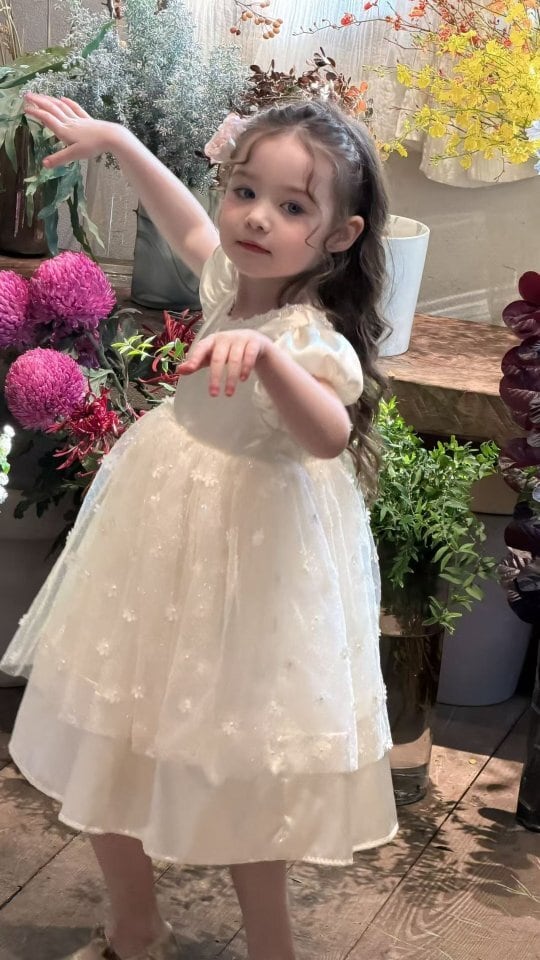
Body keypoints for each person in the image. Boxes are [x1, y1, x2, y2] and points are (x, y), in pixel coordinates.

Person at [1, 92, 398, 960]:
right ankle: (134, 927)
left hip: (252, 570)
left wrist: (268, 360)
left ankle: (271, 949)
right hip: (159, 535)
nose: (257, 218)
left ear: (339, 234)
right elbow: (185, 223)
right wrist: (119, 142)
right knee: (111, 733)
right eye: (245, 191)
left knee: (243, 769)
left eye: (292, 207)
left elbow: (329, 434)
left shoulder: (310, 336)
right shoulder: (230, 283)